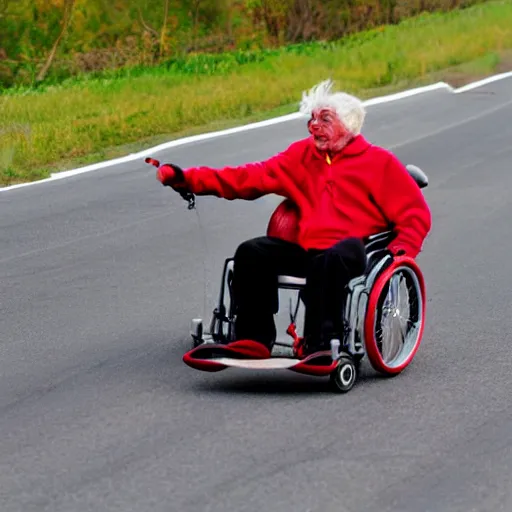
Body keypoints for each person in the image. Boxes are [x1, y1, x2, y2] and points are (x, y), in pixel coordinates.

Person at [156, 79, 432, 359]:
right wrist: (189, 179)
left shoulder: (379, 162)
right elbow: (248, 177)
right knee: (252, 252)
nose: (314, 126)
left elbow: (415, 213)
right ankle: (253, 339)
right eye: (312, 119)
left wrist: (400, 251)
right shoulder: (301, 156)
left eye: (325, 119)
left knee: (330, 260)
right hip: (307, 249)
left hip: (353, 250)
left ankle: (321, 344)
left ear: (348, 125)